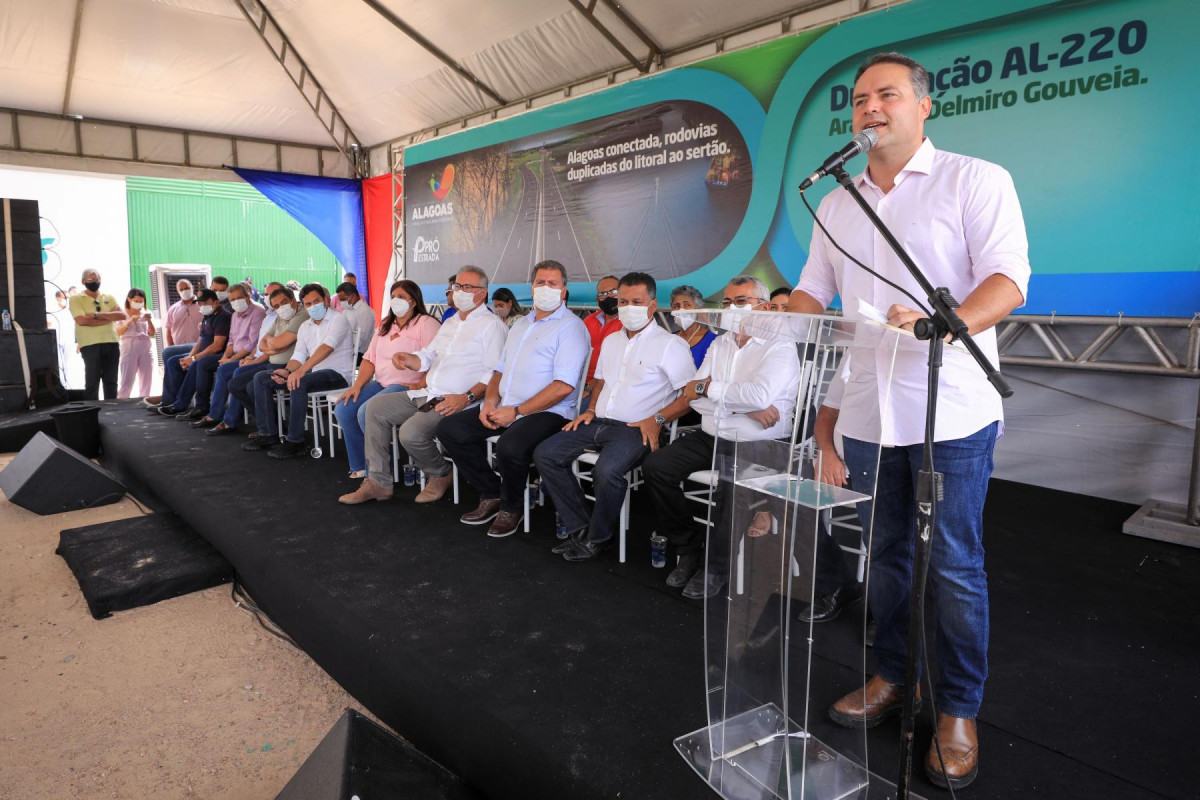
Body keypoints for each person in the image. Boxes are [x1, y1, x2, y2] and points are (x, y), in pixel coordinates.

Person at [788, 52, 1030, 790]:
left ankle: (957, 709)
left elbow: (1008, 279)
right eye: (860, 99)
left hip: (948, 406)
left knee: (952, 564)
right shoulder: (837, 202)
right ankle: (895, 675)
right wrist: (774, 314)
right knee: (886, 556)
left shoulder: (974, 179)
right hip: (868, 409)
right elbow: (812, 291)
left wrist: (942, 325)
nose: (870, 108)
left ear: (924, 106)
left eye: (887, 95)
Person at [642, 275, 801, 599]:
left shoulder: (780, 346)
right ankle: (689, 547)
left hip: (759, 443)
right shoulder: (721, 343)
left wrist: (715, 392)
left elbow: (756, 395)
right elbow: (693, 397)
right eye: (727, 302)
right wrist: (743, 406)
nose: (731, 308)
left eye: (741, 301)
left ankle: (715, 569)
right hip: (712, 434)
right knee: (657, 467)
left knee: (730, 491)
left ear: (765, 308)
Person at [534, 272, 695, 561]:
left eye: (637, 302)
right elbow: (601, 382)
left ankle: (599, 539)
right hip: (597, 421)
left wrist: (657, 421)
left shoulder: (670, 345)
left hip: (636, 429)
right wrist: (590, 410)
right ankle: (582, 528)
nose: (628, 307)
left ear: (652, 305)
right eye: (623, 301)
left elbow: (689, 396)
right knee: (545, 454)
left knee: (606, 471)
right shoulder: (611, 341)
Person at [436, 260, 589, 537]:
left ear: (564, 290)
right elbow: (498, 371)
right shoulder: (521, 325)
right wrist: (489, 403)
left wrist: (516, 411)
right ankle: (491, 492)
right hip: (506, 406)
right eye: (540, 282)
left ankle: (511, 507)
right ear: (531, 288)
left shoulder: (571, 327)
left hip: (549, 412)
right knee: (450, 428)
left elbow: (563, 387)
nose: (545, 287)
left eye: (552, 283)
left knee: (510, 446)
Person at [339, 267, 508, 505]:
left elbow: (495, 373)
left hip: (456, 400)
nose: (460, 291)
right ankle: (378, 482)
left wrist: (467, 397)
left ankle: (440, 473)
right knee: (374, 409)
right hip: (429, 393)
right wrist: (409, 359)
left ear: (483, 293)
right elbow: (427, 356)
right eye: (458, 286)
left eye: (468, 287)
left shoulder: (492, 326)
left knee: (411, 434)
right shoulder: (451, 323)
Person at [334, 280, 439, 479]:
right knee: (344, 408)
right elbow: (369, 359)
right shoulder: (385, 324)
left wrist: (420, 384)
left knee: (366, 411)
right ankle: (360, 464)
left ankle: (378, 472)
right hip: (381, 383)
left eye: (401, 297)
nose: (395, 300)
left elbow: (437, 360)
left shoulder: (426, 323)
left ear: (413, 300)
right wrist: (357, 386)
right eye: (393, 297)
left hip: (407, 386)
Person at [242, 283, 354, 458]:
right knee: (261, 378)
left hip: (338, 375)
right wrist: (286, 371)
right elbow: (299, 355)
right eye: (308, 304)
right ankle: (268, 434)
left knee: (299, 381)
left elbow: (326, 348)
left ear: (326, 300)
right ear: (304, 305)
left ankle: (296, 442)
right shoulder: (305, 326)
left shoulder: (338, 319)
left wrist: (300, 371)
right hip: (314, 372)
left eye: (316, 301)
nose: (313, 306)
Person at [213, 287, 308, 435]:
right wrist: (274, 347)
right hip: (272, 364)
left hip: (288, 366)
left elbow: (279, 343)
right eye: (276, 306)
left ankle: (268, 431)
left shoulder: (302, 315)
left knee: (252, 384)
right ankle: (272, 424)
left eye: (284, 302)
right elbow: (262, 344)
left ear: (293, 300)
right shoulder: (279, 317)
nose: (281, 308)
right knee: (235, 385)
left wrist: (273, 345)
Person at [188, 283, 266, 428]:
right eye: (232, 300)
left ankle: (224, 418)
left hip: (250, 355)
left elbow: (252, 343)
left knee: (225, 370)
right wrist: (225, 357)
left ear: (247, 297)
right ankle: (205, 408)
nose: (236, 302)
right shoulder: (235, 315)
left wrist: (231, 360)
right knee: (204, 363)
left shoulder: (258, 313)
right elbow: (231, 340)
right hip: (235, 354)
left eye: (239, 298)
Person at [157, 290, 230, 417]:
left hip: (218, 354)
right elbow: (200, 341)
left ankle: (181, 405)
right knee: (173, 361)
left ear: (216, 302)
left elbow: (217, 346)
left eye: (205, 302)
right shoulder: (208, 315)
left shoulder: (223, 317)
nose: (202, 305)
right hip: (203, 352)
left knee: (197, 364)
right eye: (200, 303)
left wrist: (194, 359)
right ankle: (169, 400)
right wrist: (189, 356)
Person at [146, 278, 204, 406]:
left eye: (186, 288)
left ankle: (169, 397)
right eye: (181, 289)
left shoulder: (202, 306)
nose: (184, 291)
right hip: (179, 347)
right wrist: (171, 346)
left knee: (169, 354)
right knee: (170, 355)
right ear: (177, 291)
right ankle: (169, 396)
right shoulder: (173, 308)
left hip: (198, 346)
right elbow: (169, 330)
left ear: (192, 288)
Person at [69, 269, 123, 400]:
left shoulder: (109, 297)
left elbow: (121, 315)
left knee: (111, 381)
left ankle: (112, 408)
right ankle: (92, 410)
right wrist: (109, 317)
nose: (95, 281)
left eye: (97, 279)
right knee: (92, 382)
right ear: (83, 282)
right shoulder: (76, 299)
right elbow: (81, 321)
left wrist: (96, 315)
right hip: (90, 344)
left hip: (111, 342)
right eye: (91, 279)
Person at [116, 288, 155, 398]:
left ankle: (144, 399)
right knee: (127, 379)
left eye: (141, 301)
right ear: (129, 299)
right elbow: (118, 332)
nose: (139, 303)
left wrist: (149, 320)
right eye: (136, 301)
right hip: (129, 345)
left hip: (145, 345)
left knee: (146, 378)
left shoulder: (146, 312)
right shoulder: (121, 313)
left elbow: (152, 333)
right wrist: (130, 321)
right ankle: (122, 400)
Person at [582, 275, 622, 384]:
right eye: (603, 294)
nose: (608, 296)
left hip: (609, 384)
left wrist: (591, 387)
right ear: (597, 299)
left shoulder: (628, 323)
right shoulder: (589, 320)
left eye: (613, 292)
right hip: (582, 381)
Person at [668, 285, 717, 369]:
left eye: (687, 305)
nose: (681, 310)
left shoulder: (713, 341)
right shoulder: (669, 339)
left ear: (698, 309)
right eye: (676, 306)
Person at [335, 281, 377, 362]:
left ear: (353, 296)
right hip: (348, 350)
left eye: (343, 299)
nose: (341, 302)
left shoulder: (365, 312)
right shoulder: (346, 310)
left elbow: (362, 339)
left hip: (361, 354)